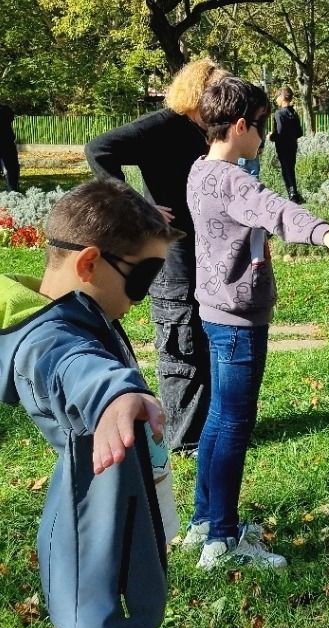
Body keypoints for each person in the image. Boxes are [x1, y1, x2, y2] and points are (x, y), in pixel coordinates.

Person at [184, 77, 329, 570]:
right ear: (242, 125)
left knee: (218, 418)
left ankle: (205, 523)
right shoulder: (233, 180)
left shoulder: (200, 170)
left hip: (214, 310)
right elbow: (275, 210)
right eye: (262, 126)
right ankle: (223, 542)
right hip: (238, 320)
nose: (265, 137)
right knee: (232, 424)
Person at [0, 179, 184, 628]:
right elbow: (72, 367)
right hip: (95, 567)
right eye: (143, 277)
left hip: (120, 542)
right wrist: (116, 394)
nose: (143, 296)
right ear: (87, 263)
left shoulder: (85, 309)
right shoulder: (46, 340)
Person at [86, 58, 229, 455]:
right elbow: (99, 149)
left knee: (200, 335)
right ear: (196, 92)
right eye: (215, 91)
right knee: (180, 335)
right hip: (171, 251)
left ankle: (200, 427)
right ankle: (184, 439)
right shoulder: (163, 124)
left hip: (202, 248)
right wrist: (136, 203)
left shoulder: (206, 131)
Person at [270, 86, 303, 203]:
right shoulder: (294, 113)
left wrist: (272, 137)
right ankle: (295, 193)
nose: (276, 100)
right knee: (291, 169)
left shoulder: (279, 114)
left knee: (286, 170)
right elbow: (300, 132)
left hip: (282, 146)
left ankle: (292, 194)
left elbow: (279, 131)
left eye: (277, 97)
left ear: (282, 97)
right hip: (293, 145)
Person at [0, 103, 20, 192]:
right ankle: (12, 191)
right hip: (7, 144)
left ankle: (12, 191)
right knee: (11, 168)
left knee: (10, 169)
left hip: (7, 144)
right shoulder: (5, 109)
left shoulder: (5, 109)